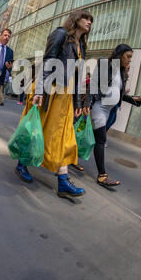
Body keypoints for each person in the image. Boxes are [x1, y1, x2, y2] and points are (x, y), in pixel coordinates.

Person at [15, 10, 93, 198]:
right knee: (37, 129)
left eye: (91, 20)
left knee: (65, 137)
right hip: (50, 92)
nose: (89, 22)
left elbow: (75, 76)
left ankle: (63, 181)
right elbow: (48, 62)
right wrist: (40, 91)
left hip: (65, 97)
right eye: (86, 18)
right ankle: (21, 164)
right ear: (76, 20)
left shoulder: (81, 45)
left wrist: (77, 104)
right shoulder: (61, 34)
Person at [90, 44, 141, 187]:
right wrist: (88, 104)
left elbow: (121, 95)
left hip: (107, 111)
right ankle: (102, 176)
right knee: (100, 140)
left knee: (89, 138)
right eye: (128, 56)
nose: (130, 60)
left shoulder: (122, 71)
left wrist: (136, 100)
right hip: (98, 107)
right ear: (119, 54)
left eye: (131, 57)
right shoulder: (106, 65)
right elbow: (94, 85)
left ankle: (69, 158)